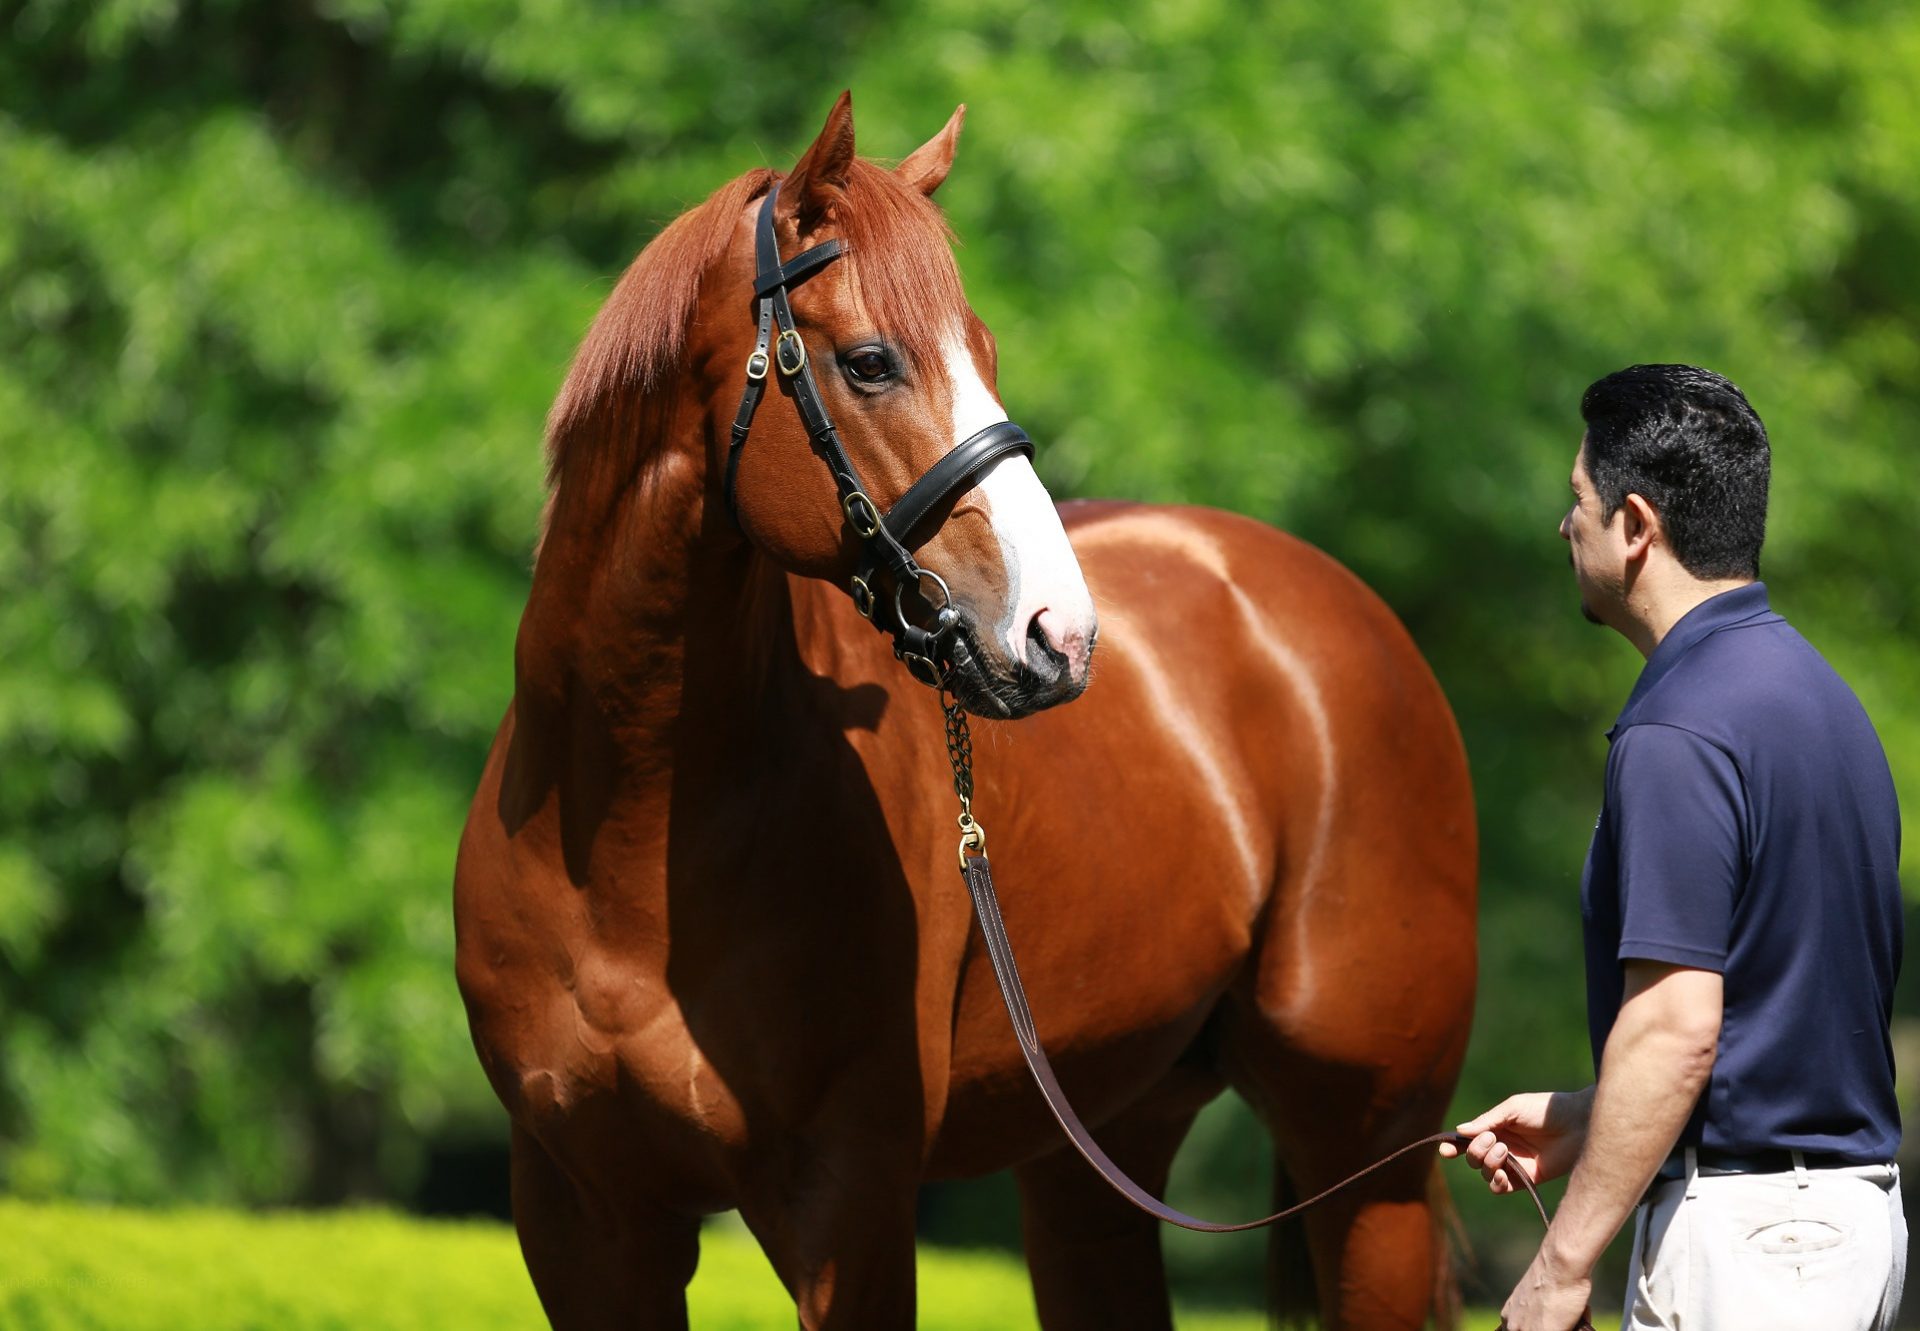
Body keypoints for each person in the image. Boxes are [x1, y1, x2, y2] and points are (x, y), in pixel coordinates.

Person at [1441, 364, 1906, 1330]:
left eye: (1578, 501)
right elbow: (1776, 1022)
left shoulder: (1678, 728)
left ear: (1637, 526)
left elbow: (1678, 1026)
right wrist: (1584, 1117)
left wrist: (1562, 1265)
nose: (1564, 525)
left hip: (1743, 1247)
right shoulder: (1822, 699)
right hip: (1844, 1227)